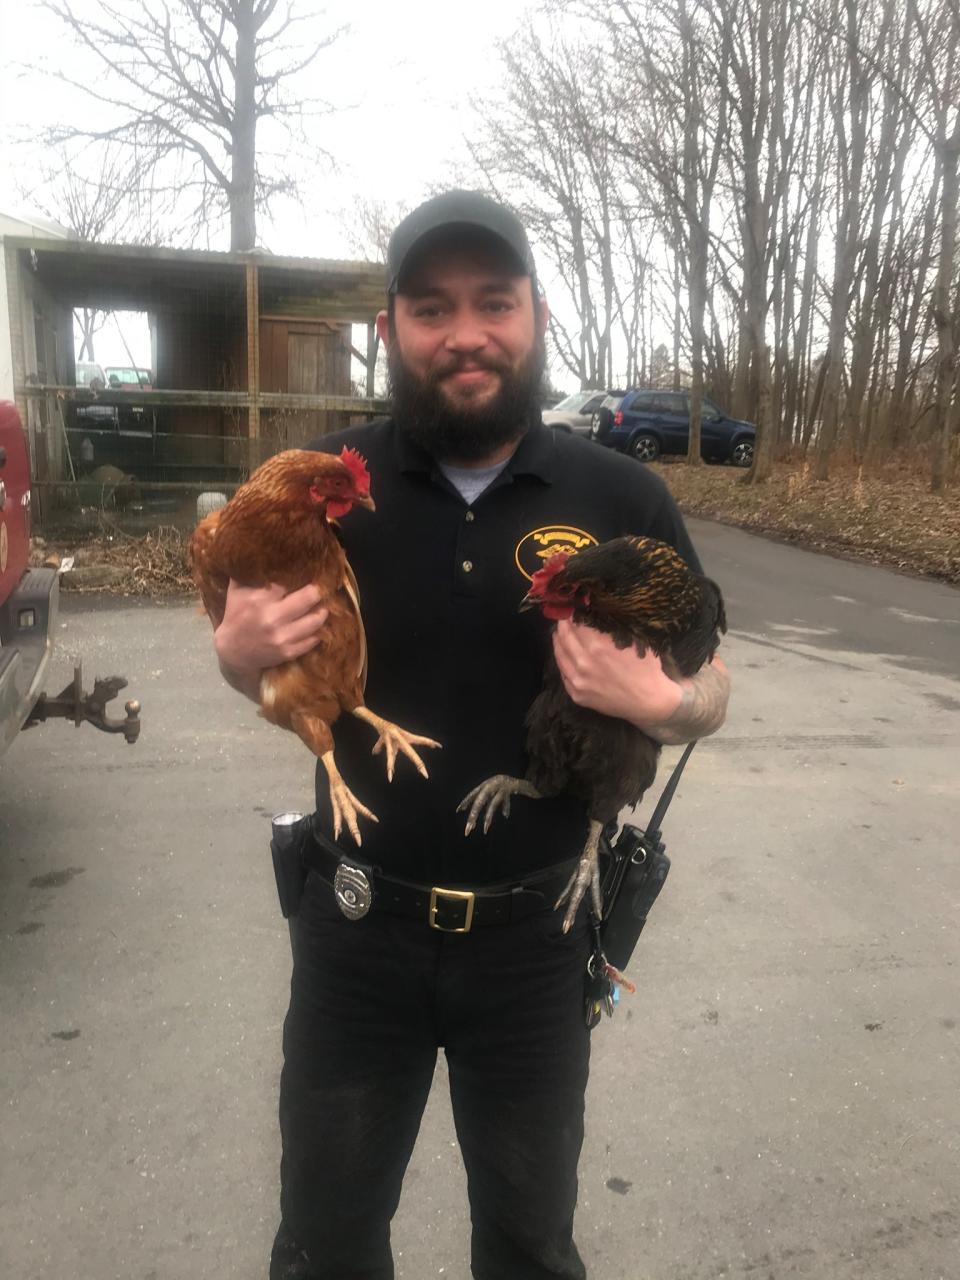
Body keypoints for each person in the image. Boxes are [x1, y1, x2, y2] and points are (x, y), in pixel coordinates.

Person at [213, 191, 731, 1280]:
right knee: (326, 1240)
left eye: (493, 302)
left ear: (534, 312)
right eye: (432, 307)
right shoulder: (324, 485)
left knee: (531, 1241)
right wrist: (237, 650)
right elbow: (257, 663)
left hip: (536, 943)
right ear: (394, 327)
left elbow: (713, 685)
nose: (465, 334)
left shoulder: (620, 491)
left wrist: (663, 700)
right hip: (357, 932)